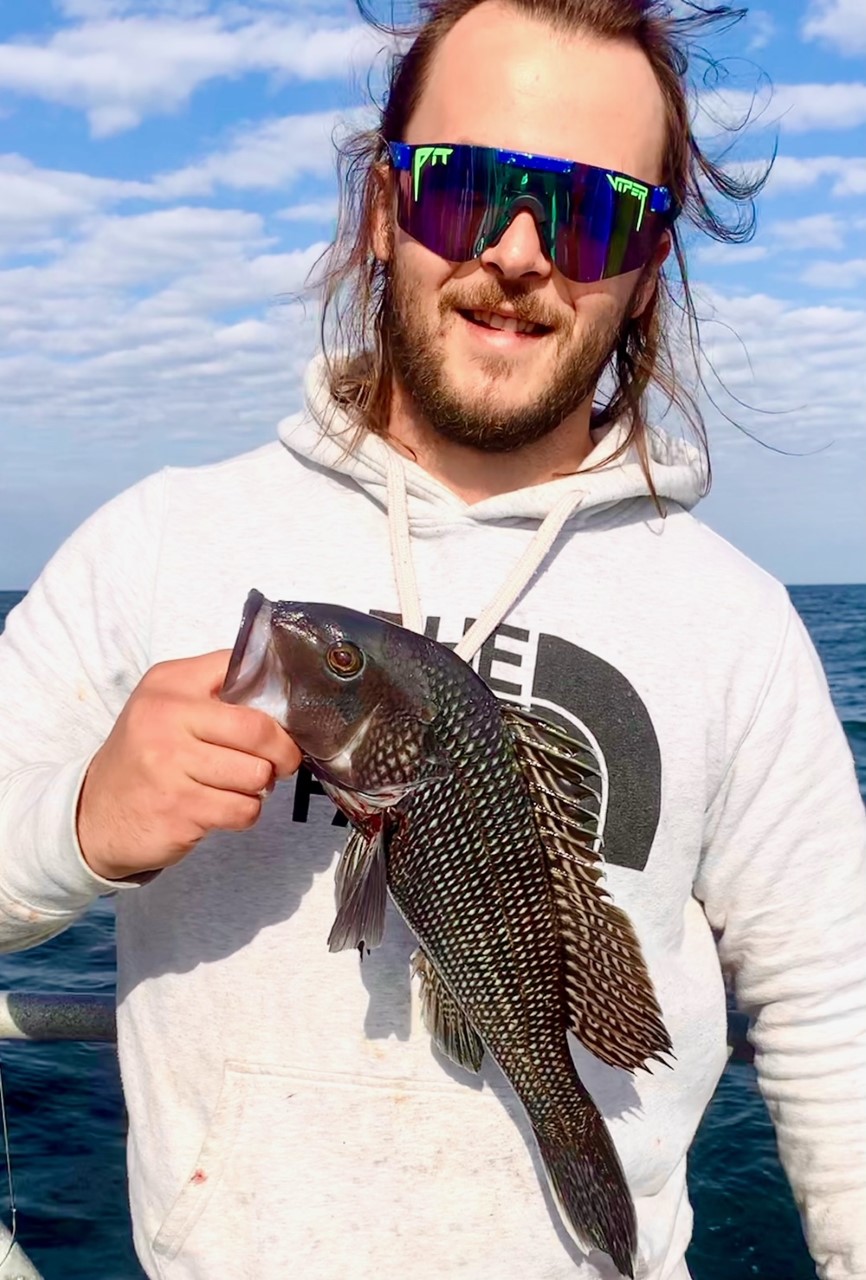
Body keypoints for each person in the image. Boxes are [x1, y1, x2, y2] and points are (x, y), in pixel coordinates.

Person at [0, 1, 864, 1277]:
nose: (516, 253)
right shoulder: (156, 540)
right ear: (380, 208)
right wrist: (80, 820)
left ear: (644, 269)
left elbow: (834, 1008)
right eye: (463, 190)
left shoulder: (733, 618)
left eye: (589, 215)